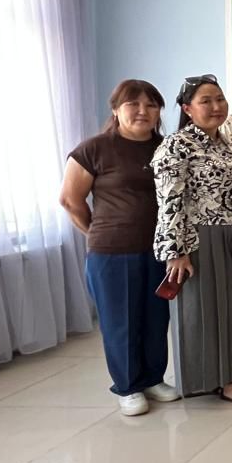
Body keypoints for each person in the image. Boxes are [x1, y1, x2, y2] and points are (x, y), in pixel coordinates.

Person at [60, 79, 180, 416]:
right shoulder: (94, 149)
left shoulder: (167, 147)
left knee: (155, 318)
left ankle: (153, 378)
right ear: (116, 109)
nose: (143, 111)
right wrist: (96, 231)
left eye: (151, 105)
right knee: (121, 321)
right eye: (133, 104)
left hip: (160, 251)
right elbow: (70, 200)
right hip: (112, 252)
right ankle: (128, 387)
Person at [153, 74, 232, 406]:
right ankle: (222, 380)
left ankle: (230, 370)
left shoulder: (227, 143)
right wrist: (176, 251)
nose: (216, 106)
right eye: (206, 101)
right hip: (201, 237)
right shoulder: (177, 145)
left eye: (219, 99)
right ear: (188, 108)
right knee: (205, 310)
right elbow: (169, 202)